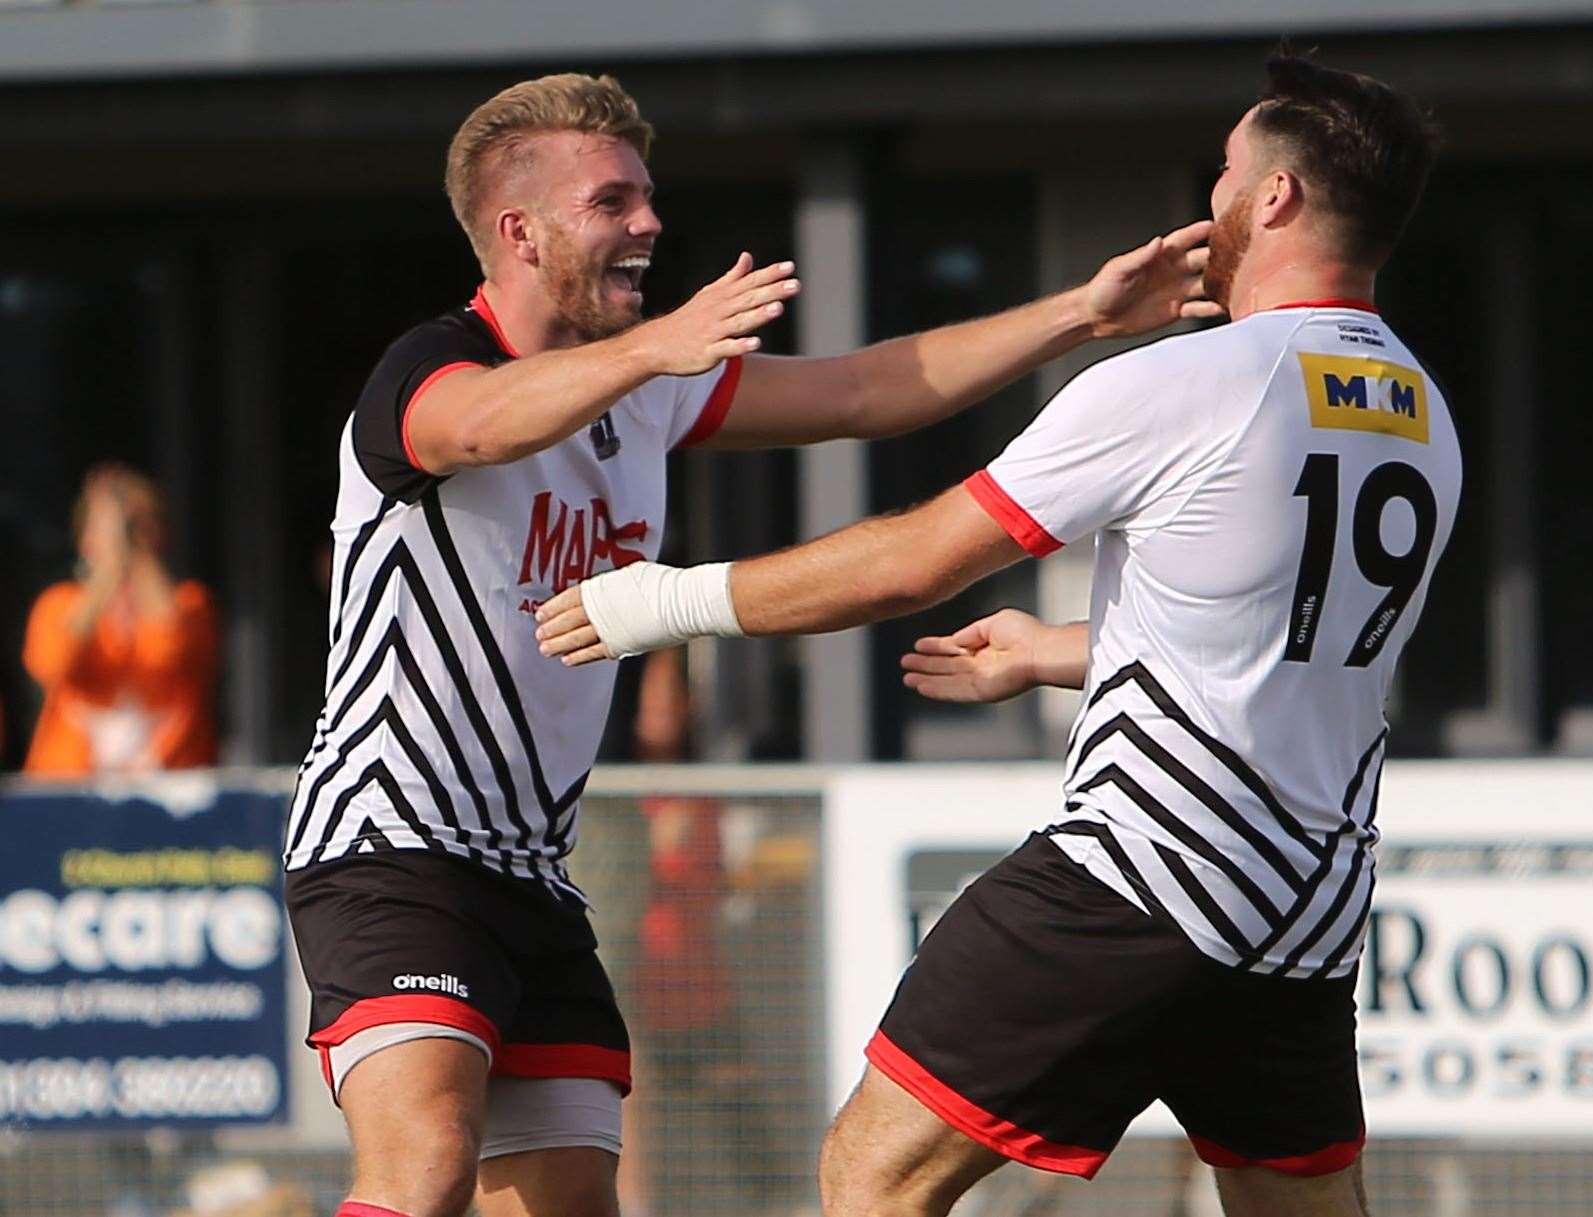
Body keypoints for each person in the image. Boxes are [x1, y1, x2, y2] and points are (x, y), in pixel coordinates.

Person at [281, 70, 1217, 1217]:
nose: (649, 223)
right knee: (424, 1162)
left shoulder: (648, 390)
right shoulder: (427, 372)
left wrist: (1080, 313)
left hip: (529, 870)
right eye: (613, 201)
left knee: (572, 1201)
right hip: (391, 843)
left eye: (647, 197)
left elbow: (868, 389)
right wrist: (658, 347)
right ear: (517, 233)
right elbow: (479, 423)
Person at [538, 51, 1454, 1217]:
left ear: (1273, 199)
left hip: (1140, 869)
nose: (1209, 200)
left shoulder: (1193, 378)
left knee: (871, 1174)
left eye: (1224, 173)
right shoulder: (1422, 414)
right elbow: (1303, 640)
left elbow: (913, 561)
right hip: (1307, 899)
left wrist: (654, 603)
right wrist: (1056, 650)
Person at [22, 463, 218, 776]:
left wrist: (139, 559)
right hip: (69, 786)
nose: (127, 536)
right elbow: (52, 665)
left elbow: (176, 649)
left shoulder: (189, 601)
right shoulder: (58, 603)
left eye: (141, 523)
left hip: (169, 787)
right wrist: (107, 573)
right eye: (114, 526)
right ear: (84, 537)